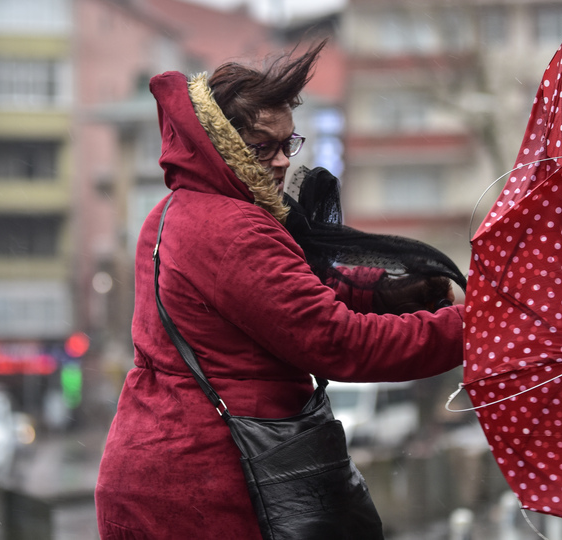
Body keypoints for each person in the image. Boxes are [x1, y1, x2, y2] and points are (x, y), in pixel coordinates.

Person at [94, 42, 465, 538]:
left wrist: (383, 296)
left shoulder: (172, 214)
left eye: (287, 144)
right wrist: (479, 326)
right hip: (208, 488)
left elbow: (286, 291)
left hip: (155, 475)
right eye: (261, 148)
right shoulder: (231, 227)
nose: (280, 163)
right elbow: (337, 342)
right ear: (220, 145)